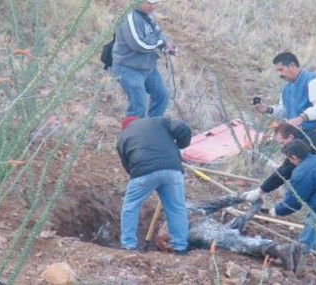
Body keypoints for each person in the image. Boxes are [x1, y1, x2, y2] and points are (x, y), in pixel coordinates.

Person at [264, 139, 316, 285]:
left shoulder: (302, 171)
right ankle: (297, 263)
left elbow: (294, 201)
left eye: (289, 158)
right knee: (308, 231)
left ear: (294, 157)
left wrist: (276, 210)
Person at [156, 195, 302, 272]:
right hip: (205, 227)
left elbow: (164, 238)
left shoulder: (171, 218)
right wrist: (241, 197)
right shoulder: (190, 207)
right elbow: (219, 202)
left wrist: (168, 246)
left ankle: (275, 248)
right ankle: (277, 248)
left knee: (231, 241)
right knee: (230, 236)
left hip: (197, 232)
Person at [116, 116, 191, 255]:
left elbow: (128, 166)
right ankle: (180, 248)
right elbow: (180, 126)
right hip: (172, 169)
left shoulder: (122, 137)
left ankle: (128, 246)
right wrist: (183, 144)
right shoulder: (158, 121)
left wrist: (142, 176)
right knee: (176, 208)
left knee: (130, 206)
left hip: (143, 172)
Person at [111, 0, 176, 118]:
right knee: (138, 107)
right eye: (149, 3)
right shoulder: (129, 17)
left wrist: (165, 47)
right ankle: (131, 135)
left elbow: (157, 34)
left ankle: (150, 130)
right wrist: (161, 42)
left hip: (148, 68)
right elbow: (138, 44)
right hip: (129, 69)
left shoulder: (148, 16)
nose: (153, 6)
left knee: (161, 97)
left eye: (154, 3)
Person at [255, 52, 316, 137]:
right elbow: (285, 111)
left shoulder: (313, 81)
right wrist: (268, 109)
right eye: (278, 71)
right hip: (303, 138)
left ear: (292, 65)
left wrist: (301, 118)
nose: (279, 74)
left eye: (281, 70)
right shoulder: (285, 89)